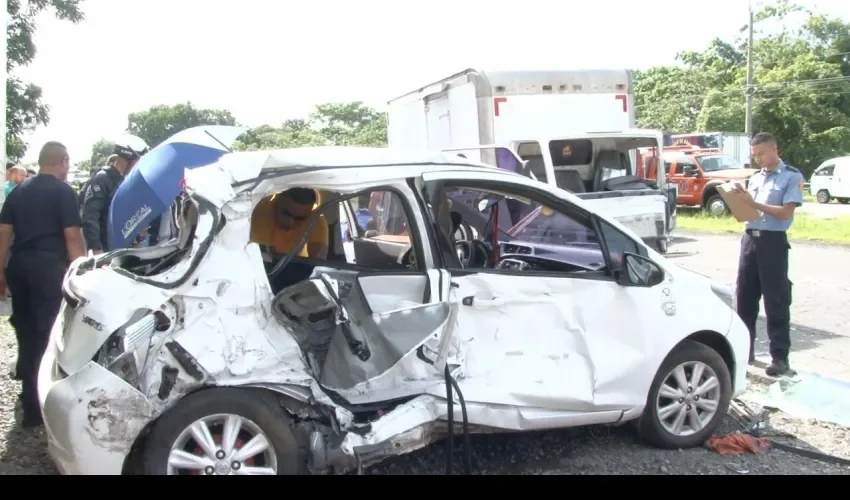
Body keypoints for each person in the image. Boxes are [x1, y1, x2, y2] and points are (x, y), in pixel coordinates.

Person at [0, 141, 86, 427]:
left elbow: (4, 234)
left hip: (20, 267)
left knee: (25, 331)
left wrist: (1, 272)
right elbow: (72, 236)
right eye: (68, 163)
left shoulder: (19, 190)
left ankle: (28, 400)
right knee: (50, 334)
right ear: (62, 161)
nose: (69, 168)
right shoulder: (64, 192)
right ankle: (45, 402)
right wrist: (83, 271)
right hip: (49, 268)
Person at [731, 132, 804, 377]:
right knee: (744, 298)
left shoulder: (791, 176)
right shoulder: (754, 178)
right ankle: (744, 351)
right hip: (750, 239)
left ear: (775, 149)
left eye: (762, 153)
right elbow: (748, 212)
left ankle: (780, 358)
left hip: (773, 243)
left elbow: (785, 213)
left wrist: (754, 204)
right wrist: (739, 204)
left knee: (776, 300)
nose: (759, 159)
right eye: (755, 155)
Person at [81, 136, 149, 254]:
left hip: (124, 248)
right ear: (128, 158)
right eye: (138, 160)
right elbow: (90, 217)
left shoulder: (125, 181)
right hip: (105, 248)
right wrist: (97, 249)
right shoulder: (102, 179)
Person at [250, 188, 328, 290]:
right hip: (254, 272)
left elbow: (318, 264)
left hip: (293, 278)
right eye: (286, 213)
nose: (290, 222)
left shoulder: (316, 220)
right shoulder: (256, 209)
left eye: (300, 219)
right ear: (278, 199)